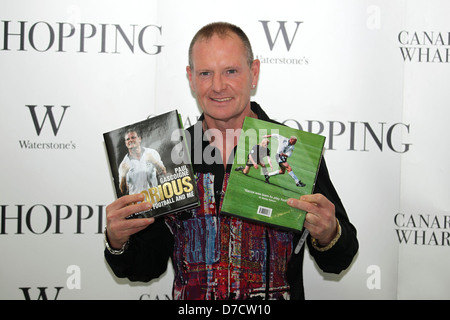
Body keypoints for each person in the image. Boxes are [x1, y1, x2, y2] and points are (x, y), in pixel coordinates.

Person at [104, 22, 358, 300]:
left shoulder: (296, 151)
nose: (217, 86)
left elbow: (338, 260)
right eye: (205, 73)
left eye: (231, 71)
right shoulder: (171, 155)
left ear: (254, 73)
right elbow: (146, 267)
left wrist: (329, 232)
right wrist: (118, 242)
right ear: (190, 78)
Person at [118, 128, 166, 195]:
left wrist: (154, 161)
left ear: (139, 139)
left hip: (155, 200)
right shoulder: (124, 163)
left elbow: (164, 173)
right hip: (137, 203)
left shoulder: (152, 153)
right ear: (126, 143)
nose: (130, 140)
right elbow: (123, 190)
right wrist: (123, 175)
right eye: (128, 139)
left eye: (133, 137)